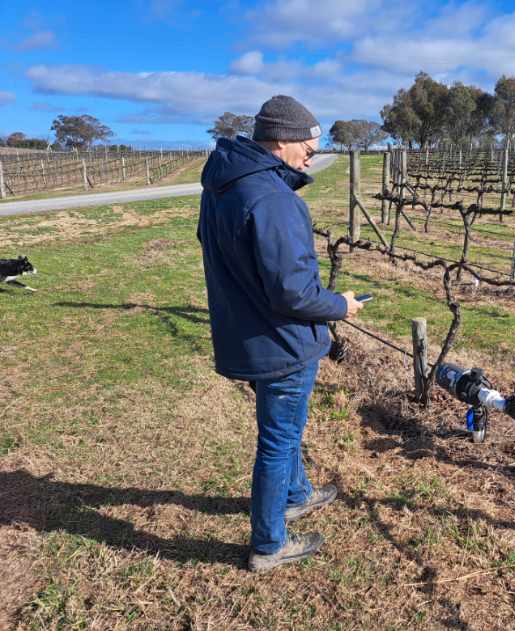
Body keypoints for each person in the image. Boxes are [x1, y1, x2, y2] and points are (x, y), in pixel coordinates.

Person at [197, 95, 364, 572]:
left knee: (282, 431)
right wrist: (340, 305)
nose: (313, 153)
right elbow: (294, 293)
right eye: (309, 146)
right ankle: (269, 543)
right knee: (278, 440)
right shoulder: (274, 199)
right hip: (281, 343)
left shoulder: (223, 186)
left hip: (248, 333)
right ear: (282, 142)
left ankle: (296, 494)